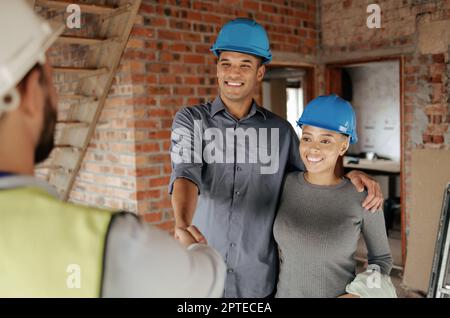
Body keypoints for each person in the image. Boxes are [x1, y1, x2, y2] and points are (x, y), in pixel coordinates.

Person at [0, 0, 225, 298]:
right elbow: (204, 283)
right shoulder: (106, 244)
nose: (56, 94)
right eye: (52, 81)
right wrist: (197, 248)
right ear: (27, 94)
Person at [169, 18, 385, 298]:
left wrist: (350, 179)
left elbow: (313, 174)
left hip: (258, 284)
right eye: (226, 63)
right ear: (217, 68)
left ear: (260, 72)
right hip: (201, 277)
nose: (234, 72)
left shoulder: (281, 132)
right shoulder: (191, 120)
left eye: (245, 64)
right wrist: (182, 223)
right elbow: (185, 172)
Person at [273, 95, 397, 298]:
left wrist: (357, 295)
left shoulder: (363, 196)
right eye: (307, 138)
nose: (313, 148)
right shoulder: (283, 184)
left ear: (343, 146)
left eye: (325, 140)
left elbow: (381, 259)